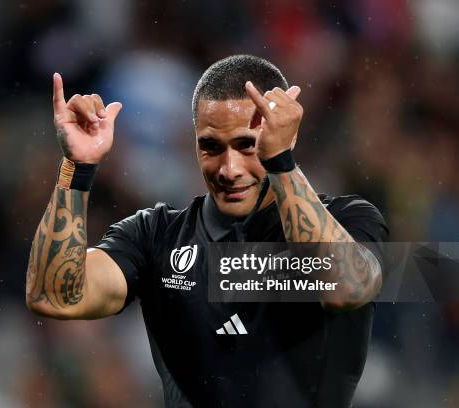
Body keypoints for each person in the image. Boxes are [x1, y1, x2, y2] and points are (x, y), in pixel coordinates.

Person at [25, 55, 388, 407]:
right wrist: (78, 168)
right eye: (211, 147)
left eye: (249, 145)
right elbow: (54, 296)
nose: (229, 168)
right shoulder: (155, 236)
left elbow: (345, 288)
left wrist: (280, 163)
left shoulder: (350, 219)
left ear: (287, 137)